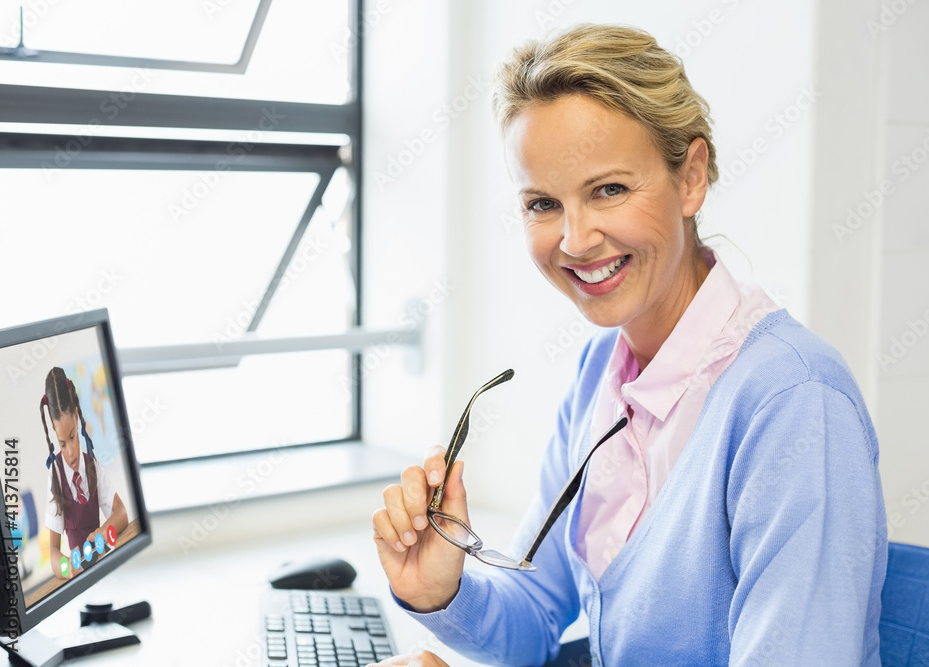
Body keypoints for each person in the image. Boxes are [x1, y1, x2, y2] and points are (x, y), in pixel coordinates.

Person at [371, 24, 887, 666]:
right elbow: (536, 616)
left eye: (608, 189)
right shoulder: (602, 370)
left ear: (691, 177)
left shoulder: (796, 404)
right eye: (542, 203)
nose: (576, 240)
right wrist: (441, 590)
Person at [41, 366, 128, 579]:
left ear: (78, 418)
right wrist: (64, 566)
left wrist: (102, 530)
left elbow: (122, 513)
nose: (70, 453)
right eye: (62, 444)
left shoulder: (92, 466)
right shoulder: (57, 478)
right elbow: (53, 550)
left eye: (72, 437)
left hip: (103, 565)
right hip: (78, 575)